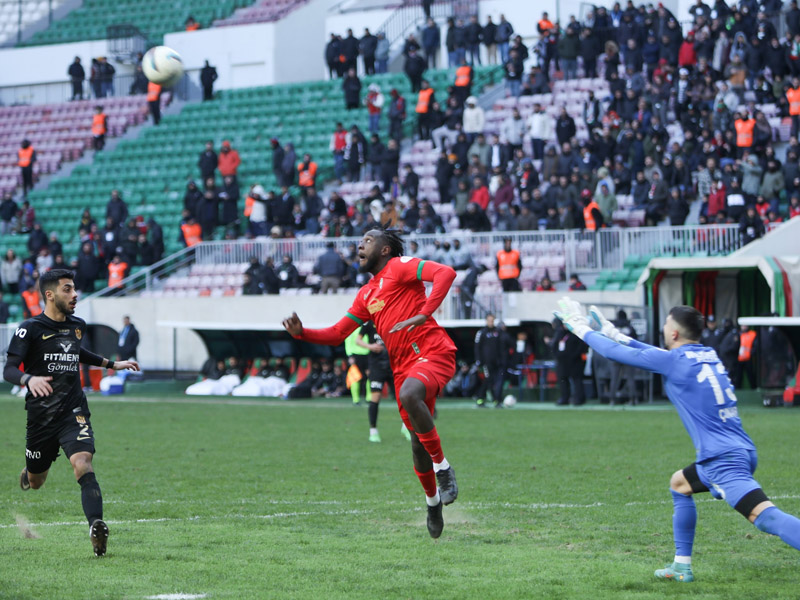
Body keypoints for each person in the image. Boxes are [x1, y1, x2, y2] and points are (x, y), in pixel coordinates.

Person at [555, 298, 800, 582]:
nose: (663, 329)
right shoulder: (708, 354)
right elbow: (653, 354)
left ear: (673, 334)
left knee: (765, 518)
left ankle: (682, 567)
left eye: (666, 325)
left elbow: (613, 354)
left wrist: (577, 326)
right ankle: (681, 567)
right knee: (679, 484)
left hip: (722, 460)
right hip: (740, 449)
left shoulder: (673, 361)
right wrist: (615, 333)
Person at [282, 227, 459, 538]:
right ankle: (432, 503)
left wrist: (424, 313)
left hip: (432, 350)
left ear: (385, 249)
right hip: (403, 366)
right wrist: (302, 333)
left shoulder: (400, 266)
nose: (359, 245)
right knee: (417, 444)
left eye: (367, 240)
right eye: (359, 241)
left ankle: (443, 469)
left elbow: (445, 273)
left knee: (407, 394)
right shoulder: (366, 293)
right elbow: (338, 334)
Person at [5, 269, 139, 556]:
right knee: (37, 482)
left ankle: (96, 527)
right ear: (50, 294)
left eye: (74, 288)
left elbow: (76, 351)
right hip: (40, 418)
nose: (75, 294)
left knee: (83, 463)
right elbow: (8, 370)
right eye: (67, 289)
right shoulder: (28, 328)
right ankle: (30, 472)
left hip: (72, 411)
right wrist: (29, 379)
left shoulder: (77, 325)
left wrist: (111, 364)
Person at [548, 318, 587, 405]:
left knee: (577, 379)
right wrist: (558, 355)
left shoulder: (576, 334)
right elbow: (554, 346)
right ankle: (564, 398)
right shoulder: (560, 333)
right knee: (563, 379)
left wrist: (574, 356)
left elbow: (582, 347)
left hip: (575, 361)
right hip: (562, 361)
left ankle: (579, 398)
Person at [473, 313, 508, 407]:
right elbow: (477, 347)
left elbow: (501, 346)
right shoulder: (482, 332)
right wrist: (478, 360)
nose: (491, 322)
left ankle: (495, 400)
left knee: (493, 381)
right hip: (485, 362)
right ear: (486, 321)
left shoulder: (497, 332)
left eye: (492, 320)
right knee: (488, 380)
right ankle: (481, 398)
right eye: (489, 320)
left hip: (496, 362)